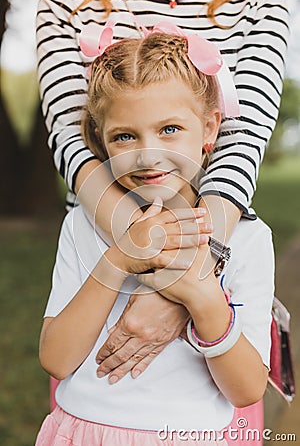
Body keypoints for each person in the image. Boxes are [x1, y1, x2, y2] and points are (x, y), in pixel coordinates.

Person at [35, 26, 274, 445]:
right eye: (124, 136)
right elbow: (56, 358)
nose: (147, 154)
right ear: (101, 142)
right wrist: (119, 260)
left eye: (169, 130)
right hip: (84, 432)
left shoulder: (248, 238)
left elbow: (248, 389)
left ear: (210, 128)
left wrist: (203, 298)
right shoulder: (83, 225)